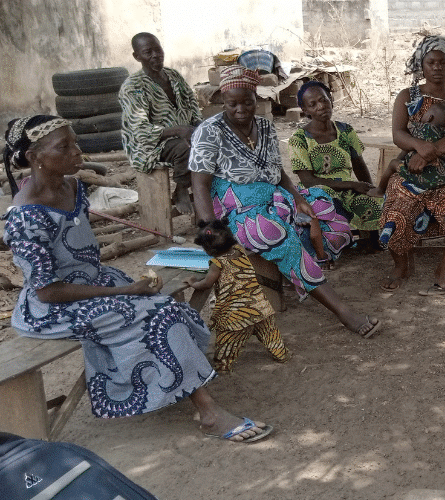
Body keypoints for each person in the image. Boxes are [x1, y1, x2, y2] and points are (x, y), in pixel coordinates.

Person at [2, 115, 271, 443]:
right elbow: (47, 291)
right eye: (64, 147)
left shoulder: (72, 186)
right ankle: (208, 411)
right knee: (152, 313)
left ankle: (174, 381)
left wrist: (120, 289)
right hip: (53, 308)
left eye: (75, 141)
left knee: (161, 300)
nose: (77, 151)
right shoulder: (25, 218)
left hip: (91, 282)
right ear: (34, 158)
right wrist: (125, 290)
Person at [189, 65, 380, 337]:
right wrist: (210, 231)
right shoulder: (210, 131)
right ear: (223, 101)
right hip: (235, 211)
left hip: (272, 197)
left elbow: (277, 172)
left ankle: (298, 268)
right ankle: (343, 312)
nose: (241, 108)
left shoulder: (265, 126)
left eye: (247, 101)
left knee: (324, 206)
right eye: (233, 104)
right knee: (273, 231)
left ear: (257, 97)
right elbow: (200, 185)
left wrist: (298, 197)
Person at [379, 35, 445, 293]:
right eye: (431, 62)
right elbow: (398, 134)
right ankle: (401, 265)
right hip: (412, 168)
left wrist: (429, 152)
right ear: (421, 65)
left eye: (443, 62)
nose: (437, 67)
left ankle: (444, 267)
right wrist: (418, 147)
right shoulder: (407, 95)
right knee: (395, 209)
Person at [185, 218, 289, 372]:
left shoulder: (217, 264)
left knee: (228, 341)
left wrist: (193, 283)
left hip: (236, 314)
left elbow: (207, 283)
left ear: (207, 249)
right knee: (270, 333)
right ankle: (281, 354)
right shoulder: (239, 250)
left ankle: (223, 366)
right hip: (259, 306)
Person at [289, 81, 384, 245]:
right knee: (329, 207)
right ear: (305, 110)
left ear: (331, 100)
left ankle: (369, 242)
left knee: (374, 201)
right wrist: (352, 185)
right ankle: (331, 244)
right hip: (316, 192)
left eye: (324, 100)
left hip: (346, 188)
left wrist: (368, 188)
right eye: (313, 104)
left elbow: (359, 165)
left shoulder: (346, 131)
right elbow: (308, 181)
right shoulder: (298, 139)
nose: (321, 106)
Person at [118, 32, 202, 216]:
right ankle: (181, 189)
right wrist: (180, 130)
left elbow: (192, 103)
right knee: (184, 148)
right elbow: (140, 131)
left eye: (158, 49)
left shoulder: (173, 76)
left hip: (183, 135)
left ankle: (207, 203)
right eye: (148, 52)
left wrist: (199, 126)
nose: (155, 55)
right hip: (150, 145)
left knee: (212, 141)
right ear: (137, 57)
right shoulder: (133, 87)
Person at [371, 98, 445, 198]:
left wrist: (402, 163)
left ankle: (380, 190)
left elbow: (405, 150)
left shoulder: (417, 131)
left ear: (429, 118)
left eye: (425, 113)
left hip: (416, 175)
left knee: (393, 163)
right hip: (442, 177)